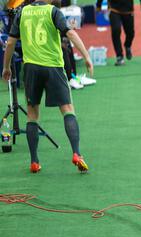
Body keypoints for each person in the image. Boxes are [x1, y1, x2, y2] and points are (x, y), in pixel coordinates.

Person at [2, 0, 93, 173]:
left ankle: (34, 161)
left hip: (31, 69)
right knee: (67, 109)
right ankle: (77, 154)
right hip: (53, 67)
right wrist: (87, 57)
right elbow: (71, 34)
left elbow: (11, 43)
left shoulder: (22, 12)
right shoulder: (53, 11)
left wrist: (6, 67)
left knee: (32, 115)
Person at [96, 0, 141, 66]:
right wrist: (98, 5)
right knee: (116, 30)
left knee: (130, 33)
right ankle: (119, 56)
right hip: (114, 9)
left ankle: (127, 45)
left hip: (128, 10)